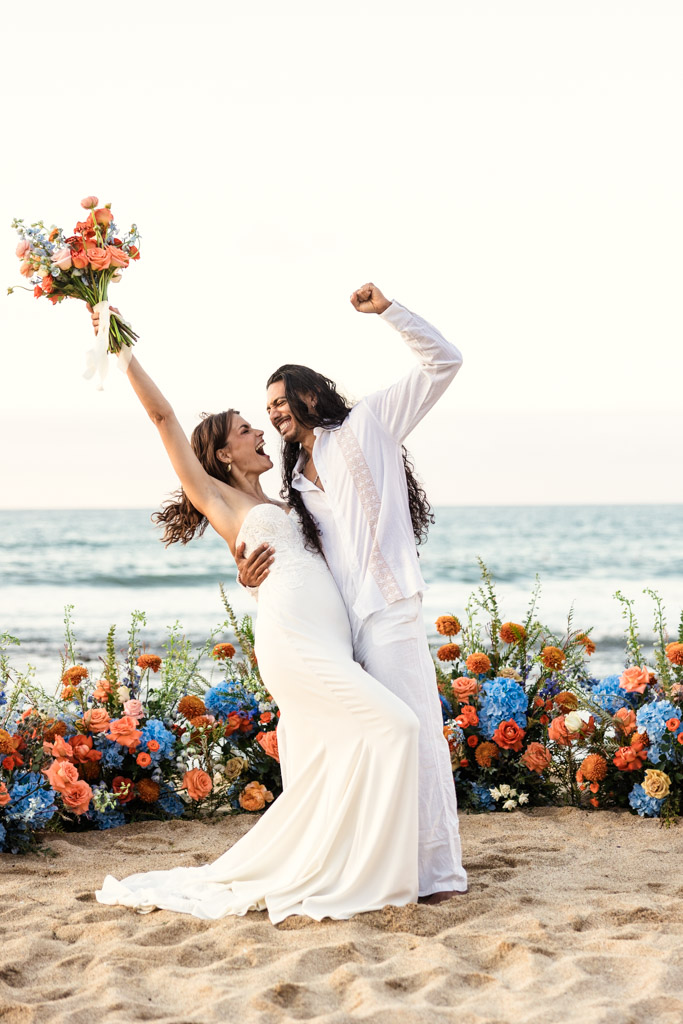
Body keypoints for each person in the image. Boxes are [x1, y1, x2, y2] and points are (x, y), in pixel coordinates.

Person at [89, 302, 421, 924]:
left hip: (332, 637)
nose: (259, 432)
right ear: (221, 455)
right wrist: (119, 344)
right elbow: (162, 418)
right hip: (294, 645)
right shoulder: (219, 500)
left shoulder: (290, 491)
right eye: (245, 429)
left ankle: (348, 864)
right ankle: (375, 877)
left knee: (344, 754)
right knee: (396, 729)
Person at [237, 283, 468, 903]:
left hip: (389, 609)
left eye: (281, 401)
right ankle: (374, 860)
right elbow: (286, 552)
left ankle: (438, 873)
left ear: (311, 394)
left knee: (413, 733)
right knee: (364, 742)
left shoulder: (370, 422)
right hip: (337, 628)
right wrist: (250, 571)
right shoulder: (292, 485)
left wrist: (388, 311)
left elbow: (444, 361)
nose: (275, 415)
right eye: (268, 409)